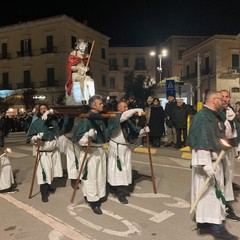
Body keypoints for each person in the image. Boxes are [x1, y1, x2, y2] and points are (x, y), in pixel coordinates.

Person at [187, 91, 238, 240]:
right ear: (214, 100)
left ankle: (204, 224)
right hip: (208, 163)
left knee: (208, 195)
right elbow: (200, 141)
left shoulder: (216, 115)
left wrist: (229, 121)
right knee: (212, 196)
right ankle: (216, 228)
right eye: (221, 99)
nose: (223, 102)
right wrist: (205, 164)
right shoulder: (202, 117)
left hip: (217, 160)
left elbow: (225, 134)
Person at [71, 95, 108, 215]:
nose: (103, 105)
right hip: (90, 152)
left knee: (100, 175)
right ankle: (93, 202)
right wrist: (87, 136)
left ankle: (97, 195)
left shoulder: (100, 118)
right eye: (100, 103)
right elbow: (77, 138)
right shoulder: (86, 120)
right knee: (91, 178)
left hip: (99, 151)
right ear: (93, 106)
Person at [107, 101, 148, 204]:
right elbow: (123, 117)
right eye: (124, 107)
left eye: (127, 107)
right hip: (116, 147)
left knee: (125, 169)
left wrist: (143, 131)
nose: (126, 108)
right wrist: (135, 110)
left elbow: (134, 131)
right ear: (119, 108)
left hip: (125, 147)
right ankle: (119, 192)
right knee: (117, 170)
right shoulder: (115, 116)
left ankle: (115, 187)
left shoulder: (127, 119)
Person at [27, 104, 63, 203]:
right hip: (43, 153)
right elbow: (30, 137)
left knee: (50, 171)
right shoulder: (36, 123)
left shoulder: (53, 120)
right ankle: (44, 193)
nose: (43, 110)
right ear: (39, 111)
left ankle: (48, 187)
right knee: (43, 173)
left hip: (53, 151)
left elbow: (61, 118)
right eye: (41, 109)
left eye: (45, 108)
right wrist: (36, 138)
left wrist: (52, 113)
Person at [219, 90, 240, 221]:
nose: (225, 99)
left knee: (228, 178)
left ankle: (225, 204)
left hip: (229, 150)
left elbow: (235, 130)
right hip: (220, 152)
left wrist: (236, 146)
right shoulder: (216, 113)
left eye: (227, 97)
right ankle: (224, 208)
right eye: (223, 97)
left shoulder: (231, 111)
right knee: (221, 181)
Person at [65, 39, 95, 105]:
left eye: (84, 46)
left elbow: (88, 67)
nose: (83, 48)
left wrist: (87, 68)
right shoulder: (73, 54)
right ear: (77, 47)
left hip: (83, 74)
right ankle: (85, 100)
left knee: (91, 81)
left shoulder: (86, 56)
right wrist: (80, 68)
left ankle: (93, 99)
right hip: (75, 75)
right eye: (81, 46)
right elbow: (71, 67)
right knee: (83, 80)